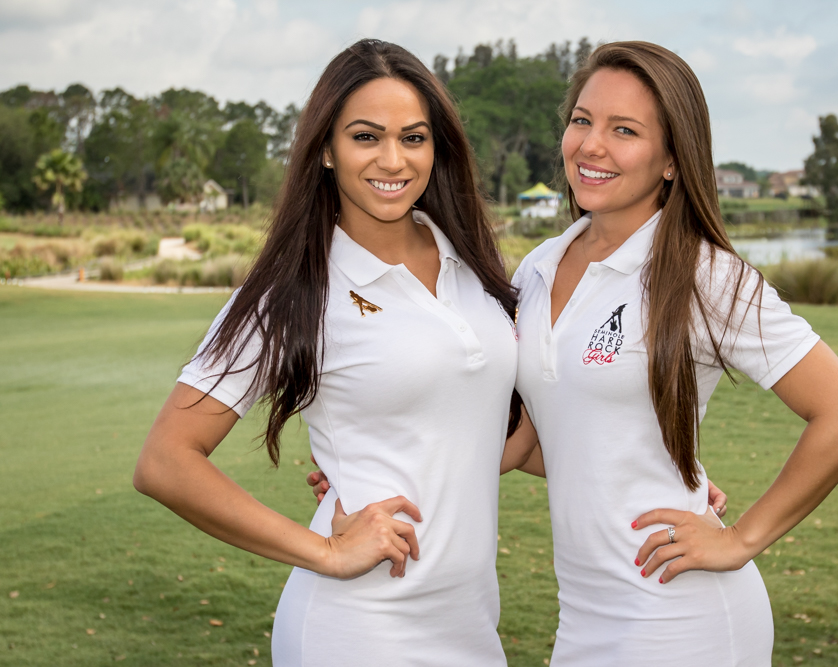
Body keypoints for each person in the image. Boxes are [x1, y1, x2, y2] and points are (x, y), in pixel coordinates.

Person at [133, 39, 543, 666]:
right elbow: (165, 460)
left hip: (470, 626)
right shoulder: (294, 290)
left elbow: (494, 445)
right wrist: (323, 550)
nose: (392, 159)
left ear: (438, 147)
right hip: (358, 631)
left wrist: (651, 471)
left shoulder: (474, 269)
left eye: (413, 137)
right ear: (326, 149)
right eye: (365, 136)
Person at [506, 42, 838, 665]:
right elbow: (543, 444)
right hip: (583, 615)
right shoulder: (539, 267)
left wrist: (741, 539)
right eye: (582, 120)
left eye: (624, 130)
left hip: (682, 615)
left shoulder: (706, 277)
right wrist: (385, 460)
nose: (592, 145)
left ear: (673, 160)